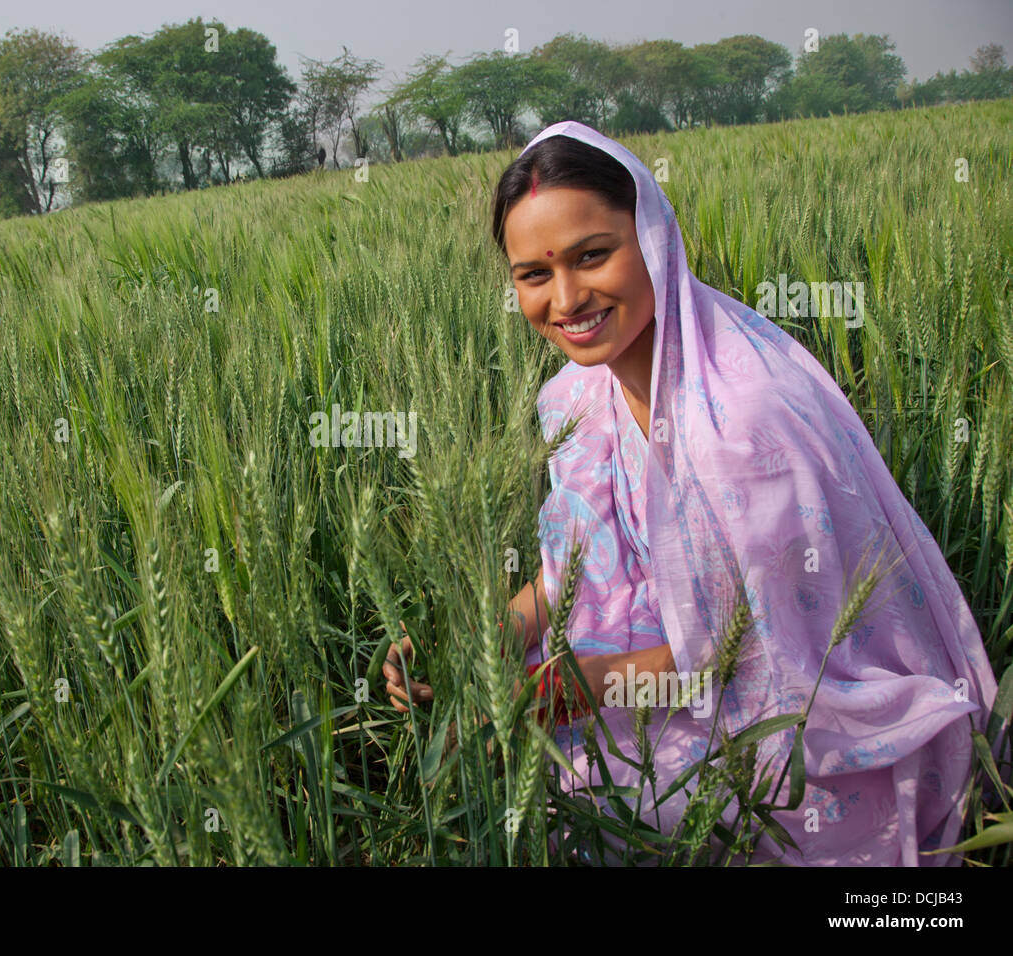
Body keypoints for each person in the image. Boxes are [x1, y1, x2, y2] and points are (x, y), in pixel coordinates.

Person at [384, 120, 1001, 865]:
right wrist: (477, 638)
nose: (568, 297)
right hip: (646, 676)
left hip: (792, 718)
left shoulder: (742, 419)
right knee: (524, 777)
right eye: (534, 274)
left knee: (590, 802)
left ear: (652, 237)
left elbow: (756, 656)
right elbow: (569, 567)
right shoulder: (580, 397)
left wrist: (560, 690)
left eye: (593, 255)